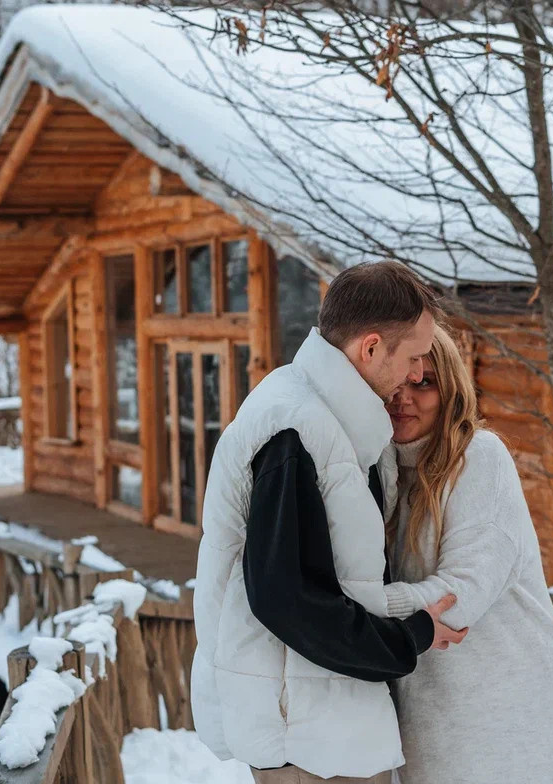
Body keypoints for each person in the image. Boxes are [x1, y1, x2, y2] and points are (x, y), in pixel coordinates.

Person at [192, 261, 468, 784]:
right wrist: (410, 636)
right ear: (369, 349)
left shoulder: (322, 420)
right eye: (412, 357)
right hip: (308, 738)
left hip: (320, 720)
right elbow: (285, 597)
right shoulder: (297, 430)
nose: (415, 374)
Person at [381, 325, 553, 784]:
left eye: (424, 383)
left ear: (450, 390)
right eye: (398, 380)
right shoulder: (385, 472)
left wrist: (348, 608)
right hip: (431, 701)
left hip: (506, 706)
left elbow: (459, 598)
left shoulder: (478, 458)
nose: (403, 397)